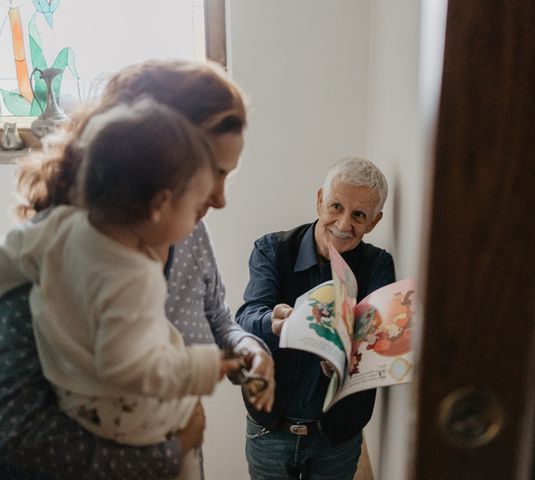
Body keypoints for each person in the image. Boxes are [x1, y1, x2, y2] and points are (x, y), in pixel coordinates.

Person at [0, 59, 274, 480]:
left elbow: (216, 314)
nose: (219, 200)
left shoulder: (184, 227)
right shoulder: (60, 250)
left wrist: (245, 349)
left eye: (228, 176)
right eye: (211, 176)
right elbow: (18, 435)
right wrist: (173, 448)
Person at [236, 157, 396, 479]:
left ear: (375, 222)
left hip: (336, 437)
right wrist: (275, 322)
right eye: (336, 206)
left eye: (359, 215)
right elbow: (247, 318)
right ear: (320, 199)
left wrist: (345, 361)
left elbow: (379, 345)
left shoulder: (378, 264)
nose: (344, 223)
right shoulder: (271, 248)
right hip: (269, 429)